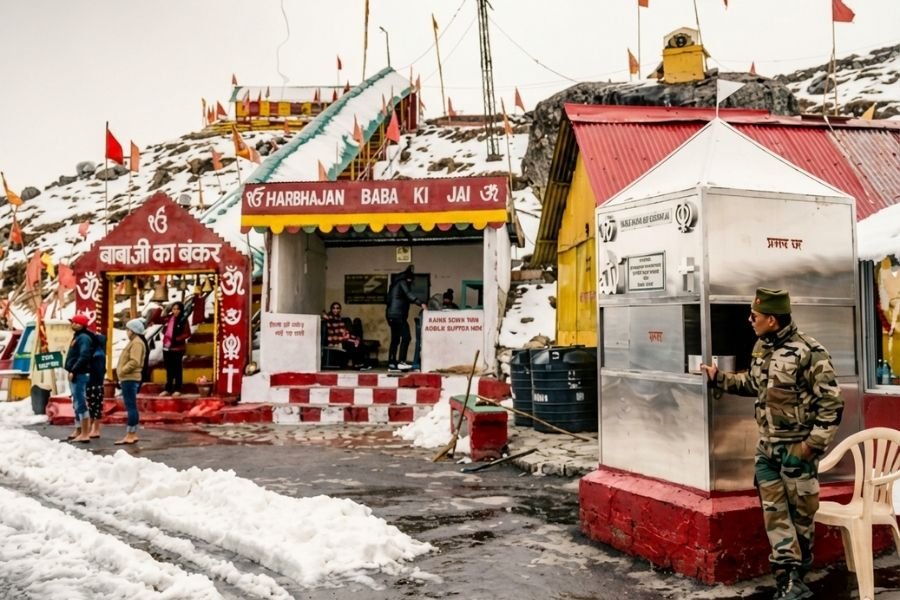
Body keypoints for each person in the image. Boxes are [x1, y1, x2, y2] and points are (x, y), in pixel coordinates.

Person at [700, 288, 843, 600]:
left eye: (755, 316)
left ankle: (798, 577)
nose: (750, 320)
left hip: (797, 451)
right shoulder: (761, 348)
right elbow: (754, 384)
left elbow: (832, 404)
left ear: (773, 320)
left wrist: (810, 447)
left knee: (800, 518)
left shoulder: (809, 352)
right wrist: (719, 379)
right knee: (775, 515)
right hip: (767, 450)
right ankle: (787, 580)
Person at [385, 265, 426, 371]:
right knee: (406, 337)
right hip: (398, 316)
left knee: (395, 339)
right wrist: (420, 303)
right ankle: (401, 361)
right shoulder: (403, 283)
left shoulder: (394, 284)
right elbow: (409, 295)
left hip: (391, 316)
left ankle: (391, 363)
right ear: (409, 278)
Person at [115, 319, 147, 445]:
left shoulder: (137, 343)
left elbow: (134, 361)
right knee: (130, 406)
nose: (127, 332)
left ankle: (131, 434)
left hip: (130, 377)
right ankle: (131, 433)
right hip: (128, 377)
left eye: (128, 329)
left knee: (131, 406)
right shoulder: (134, 342)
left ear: (133, 331)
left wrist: (123, 371)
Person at [64, 314, 95, 443]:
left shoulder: (83, 338)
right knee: (76, 402)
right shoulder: (77, 337)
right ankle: (78, 429)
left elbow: (84, 356)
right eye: (73, 322)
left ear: (82, 325)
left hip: (80, 374)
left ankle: (85, 432)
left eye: (77, 323)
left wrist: (74, 370)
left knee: (81, 402)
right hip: (76, 373)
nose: (73, 324)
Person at [321, 302, 369, 371]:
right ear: (331, 309)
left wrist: (348, 335)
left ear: (340, 310)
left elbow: (343, 330)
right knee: (354, 344)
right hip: (335, 341)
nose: (336, 310)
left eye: (337, 308)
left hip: (342, 339)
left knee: (359, 342)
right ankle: (357, 364)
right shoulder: (330, 318)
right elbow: (332, 332)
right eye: (334, 308)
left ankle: (360, 364)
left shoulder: (339, 318)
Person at [161, 301, 191, 396]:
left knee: (177, 368)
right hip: (167, 347)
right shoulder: (169, 319)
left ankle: (177, 388)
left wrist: (176, 339)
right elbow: (161, 324)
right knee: (169, 369)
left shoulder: (183, 320)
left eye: (178, 309)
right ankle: (168, 388)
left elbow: (187, 333)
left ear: (181, 310)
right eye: (174, 309)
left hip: (178, 348)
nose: (176, 311)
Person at [86, 330, 107, 439]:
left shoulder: (97, 355)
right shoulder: (99, 353)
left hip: (95, 383)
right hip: (96, 383)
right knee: (93, 406)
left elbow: (98, 370)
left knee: (95, 407)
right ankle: (92, 427)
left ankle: (95, 429)